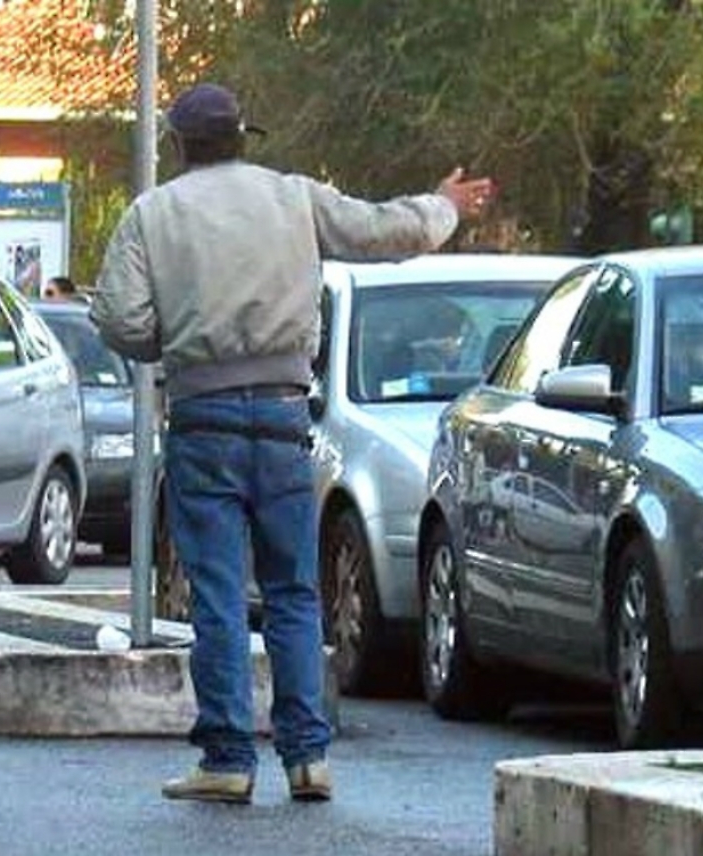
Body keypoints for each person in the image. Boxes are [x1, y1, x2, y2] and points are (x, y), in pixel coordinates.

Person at [89, 81, 494, 806]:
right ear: (246, 137)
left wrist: (173, 343)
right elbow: (381, 232)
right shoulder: (296, 197)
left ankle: (226, 758)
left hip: (202, 416)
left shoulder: (153, 215)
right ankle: (308, 757)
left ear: (180, 145)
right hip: (281, 415)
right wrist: (444, 206)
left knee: (215, 591)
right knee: (294, 591)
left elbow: (119, 318)